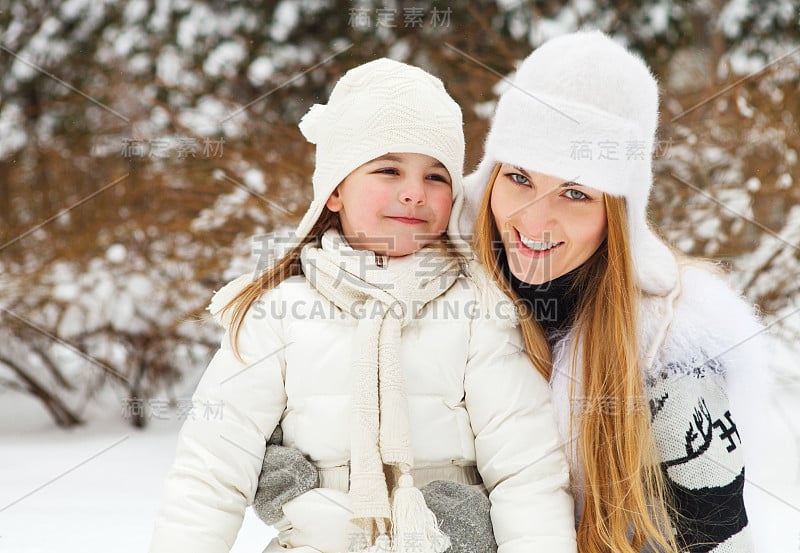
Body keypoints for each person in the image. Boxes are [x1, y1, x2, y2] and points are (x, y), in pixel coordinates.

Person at [148, 58, 577, 553]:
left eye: (436, 177)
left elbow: (527, 471)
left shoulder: (478, 307)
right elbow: (211, 468)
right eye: (388, 169)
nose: (414, 193)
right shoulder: (280, 310)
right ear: (334, 190)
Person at [461, 31, 770, 552]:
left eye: (576, 192)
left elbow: (716, 537)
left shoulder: (670, 351)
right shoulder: (438, 284)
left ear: (619, 215)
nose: (534, 219)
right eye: (519, 177)